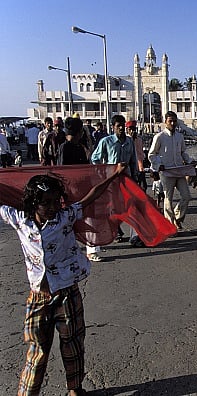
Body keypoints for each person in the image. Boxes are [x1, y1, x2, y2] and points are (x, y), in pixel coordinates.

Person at [0, 163, 127, 396]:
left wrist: (113, 175)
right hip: (38, 298)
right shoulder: (19, 220)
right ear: (32, 202)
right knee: (37, 351)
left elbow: (91, 196)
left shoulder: (65, 216)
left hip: (67, 292)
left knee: (73, 344)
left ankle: (74, 388)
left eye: (54, 202)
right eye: (44, 203)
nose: (51, 207)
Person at [91, 114, 137, 247]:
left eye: (123, 125)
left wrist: (135, 176)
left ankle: (134, 234)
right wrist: (103, 173)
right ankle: (116, 231)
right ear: (113, 127)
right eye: (118, 126)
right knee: (112, 206)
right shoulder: (106, 141)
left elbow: (133, 160)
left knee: (130, 205)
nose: (121, 128)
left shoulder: (129, 142)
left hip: (127, 178)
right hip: (111, 179)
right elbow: (95, 158)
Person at [148, 111, 195, 230]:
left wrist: (190, 161)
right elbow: (151, 155)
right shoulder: (159, 137)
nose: (173, 123)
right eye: (170, 121)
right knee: (168, 198)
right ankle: (170, 224)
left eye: (174, 121)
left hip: (179, 169)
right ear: (165, 122)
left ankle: (177, 218)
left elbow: (183, 152)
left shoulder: (180, 136)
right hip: (166, 171)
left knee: (186, 196)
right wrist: (158, 165)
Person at [126, 120, 147, 192]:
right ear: (127, 130)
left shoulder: (139, 139)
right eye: (130, 129)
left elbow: (140, 153)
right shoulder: (126, 140)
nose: (132, 131)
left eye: (133, 129)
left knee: (143, 187)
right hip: (130, 168)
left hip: (140, 167)